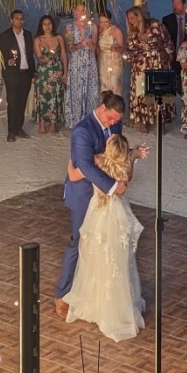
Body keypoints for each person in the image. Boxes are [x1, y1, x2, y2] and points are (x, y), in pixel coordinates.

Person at [56, 92, 143, 317]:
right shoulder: (82, 131)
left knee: (103, 246)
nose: (114, 124)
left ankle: (95, 294)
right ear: (102, 108)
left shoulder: (114, 125)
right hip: (84, 195)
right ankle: (62, 294)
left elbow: (116, 153)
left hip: (104, 199)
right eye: (111, 119)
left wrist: (130, 157)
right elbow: (84, 166)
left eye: (116, 121)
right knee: (78, 242)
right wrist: (112, 186)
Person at [63, 134, 146, 342]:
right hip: (116, 216)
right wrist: (134, 156)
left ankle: (95, 305)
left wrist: (72, 158)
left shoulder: (96, 162)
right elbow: (129, 175)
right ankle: (117, 307)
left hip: (98, 215)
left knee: (95, 259)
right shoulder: (124, 168)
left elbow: (73, 174)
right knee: (117, 261)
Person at [125, 8, 175, 134]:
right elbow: (131, 52)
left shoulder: (156, 26)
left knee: (159, 94)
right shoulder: (132, 34)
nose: (131, 21)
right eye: (129, 19)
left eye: (132, 17)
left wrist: (169, 62)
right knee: (141, 94)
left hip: (158, 64)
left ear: (139, 16)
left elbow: (168, 43)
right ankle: (143, 121)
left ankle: (161, 121)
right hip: (140, 66)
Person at [0, 11, 35, 142]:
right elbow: (0, 54)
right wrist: (8, 60)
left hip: (25, 72)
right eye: (17, 19)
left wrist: (33, 72)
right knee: (12, 101)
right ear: (11, 20)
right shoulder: (5, 36)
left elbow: (30, 55)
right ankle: (11, 130)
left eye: (21, 19)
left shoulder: (28, 35)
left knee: (22, 101)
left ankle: (19, 127)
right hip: (12, 73)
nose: (20, 21)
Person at [63, 3, 101, 129]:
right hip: (76, 63)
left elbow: (95, 49)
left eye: (84, 10)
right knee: (76, 90)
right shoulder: (69, 27)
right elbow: (71, 48)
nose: (82, 13)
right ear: (75, 11)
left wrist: (90, 44)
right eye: (79, 10)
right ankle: (75, 120)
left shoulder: (93, 26)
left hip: (89, 63)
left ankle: (89, 120)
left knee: (90, 90)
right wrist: (81, 43)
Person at [33, 15, 67, 134]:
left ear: (53, 25)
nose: (47, 26)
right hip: (44, 71)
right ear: (41, 26)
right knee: (43, 96)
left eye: (49, 24)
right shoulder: (38, 40)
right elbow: (38, 56)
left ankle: (53, 123)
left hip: (57, 70)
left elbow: (63, 55)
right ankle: (42, 122)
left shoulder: (59, 38)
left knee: (55, 96)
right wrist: (46, 59)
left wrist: (65, 73)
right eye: (44, 24)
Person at [96, 11, 125, 95]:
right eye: (101, 22)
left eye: (106, 22)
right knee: (104, 85)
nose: (103, 24)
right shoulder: (98, 31)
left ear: (110, 20)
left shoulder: (116, 30)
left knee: (114, 85)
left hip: (114, 60)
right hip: (102, 60)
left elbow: (122, 47)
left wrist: (116, 48)